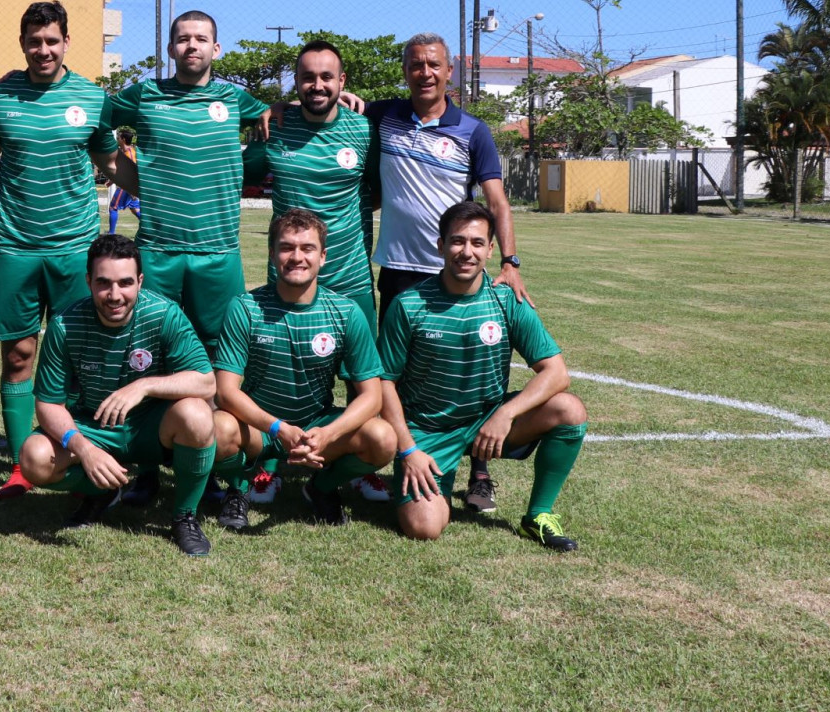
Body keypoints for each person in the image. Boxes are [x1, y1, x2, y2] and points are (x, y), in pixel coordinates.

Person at [99, 10, 267, 508]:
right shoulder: (143, 95)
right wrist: (131, 178)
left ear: (217, 49)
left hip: (218, 253)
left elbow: (274, 122)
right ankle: (145, 465)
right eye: (182, 39)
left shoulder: (237, 99)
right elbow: (98, 126)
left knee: (223, 364)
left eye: (201, 39)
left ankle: (217, 466)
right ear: (170, 49)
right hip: (159, 248)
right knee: (146, 352)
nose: (192, 46)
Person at [365, 31, 526, 512]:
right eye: (416, 65)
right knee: (401, 375)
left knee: (473, 371)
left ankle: (480, 473)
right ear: (405, 71)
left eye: (434, 64)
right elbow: (325, 98)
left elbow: (497, 201)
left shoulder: (472, 130)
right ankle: (404, 456)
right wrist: (282, 108)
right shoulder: (383, 116)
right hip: (397, 269)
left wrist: (510, 263)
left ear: (449, 71)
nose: (425, 73)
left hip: (459, 274)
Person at [0, 1, 120, 500]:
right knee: (18, 355)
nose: (43, 50)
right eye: (34, 41)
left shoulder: (91, 98)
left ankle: (82, 448)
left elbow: (112, 162)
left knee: (80, 353)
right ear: (22, 43)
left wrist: (159, 196)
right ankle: (20, 465)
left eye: (52, 40)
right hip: (15, 244)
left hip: (76, 245)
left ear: (66, 43)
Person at [378, 201, 586, 551]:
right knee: (424, 528)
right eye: (457, 241)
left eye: (477, 243)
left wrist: (505, 414)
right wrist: (409, 449)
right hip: (427, 430)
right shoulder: (408, 304)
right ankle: (431, 485)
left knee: (569, 409)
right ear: (440, 245)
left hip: (488, 423)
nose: (466, 251)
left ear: (491, 249)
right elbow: (384, 383)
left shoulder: (507, 301)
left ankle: (537, 516)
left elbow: (556, 373)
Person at [243, 41, 387, 503]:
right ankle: (268, 467)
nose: (318, 85)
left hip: (350, 277)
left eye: (327, 77)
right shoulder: (276, 129)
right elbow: (231, 169)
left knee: (359, 380)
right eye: (308, 77)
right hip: (289, 279)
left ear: (343, 83)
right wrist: (266, 111)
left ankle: (350, 468)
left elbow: (382, 189)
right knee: (269, 373)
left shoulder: (364, 131)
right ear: (295, 84)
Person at [19, 234, 219, 557]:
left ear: (140, 281)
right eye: (103, 283)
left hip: (152, 428)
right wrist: (83, 449)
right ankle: (101, 489)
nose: (115, 295)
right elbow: (47, 404)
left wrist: (144, 386)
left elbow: (206, 382)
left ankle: (185, 515)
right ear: (88, 281)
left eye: (125, 283)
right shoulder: (65, 326)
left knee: (197, 416)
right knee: (34, 456)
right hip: (96, 427)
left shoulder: (164, 314)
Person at [210, 209, 396, 531]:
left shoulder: (346, 312)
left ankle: (320, 487)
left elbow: (372, 397)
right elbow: (226, 391)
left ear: (323, 256)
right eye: (286, 247)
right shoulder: (245, 308)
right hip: (261, 429)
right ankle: (238, 486)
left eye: (307, 248)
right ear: (272, 254)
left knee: (383, 437)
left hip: (316, 427)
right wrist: (278, 429)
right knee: (217, 428)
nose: (297, 257)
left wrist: (328, 434)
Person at [108, 129, 141, 234]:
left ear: (123, 139)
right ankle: (152, 229)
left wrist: (132, 191)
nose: (117, 138)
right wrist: (112, 181)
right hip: (129, 185)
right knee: (135, 209)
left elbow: (133, 173)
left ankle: (111, 234)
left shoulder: (129, 154)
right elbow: (121, 171)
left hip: (126, 186)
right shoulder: (126, 152)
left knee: (113, 207)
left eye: (119, 136)